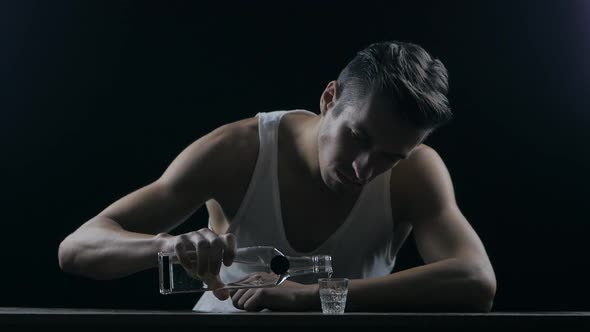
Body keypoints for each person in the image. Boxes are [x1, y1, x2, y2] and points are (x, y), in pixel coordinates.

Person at [58, 41, 496, 313]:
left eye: (390, 156)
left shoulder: (418, 171)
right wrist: (169, 245)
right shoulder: (238, 151)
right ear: (330, 98)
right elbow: (76, 249)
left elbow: (476, 281)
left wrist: (315, 296)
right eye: (358, 137)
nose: (366, 168)